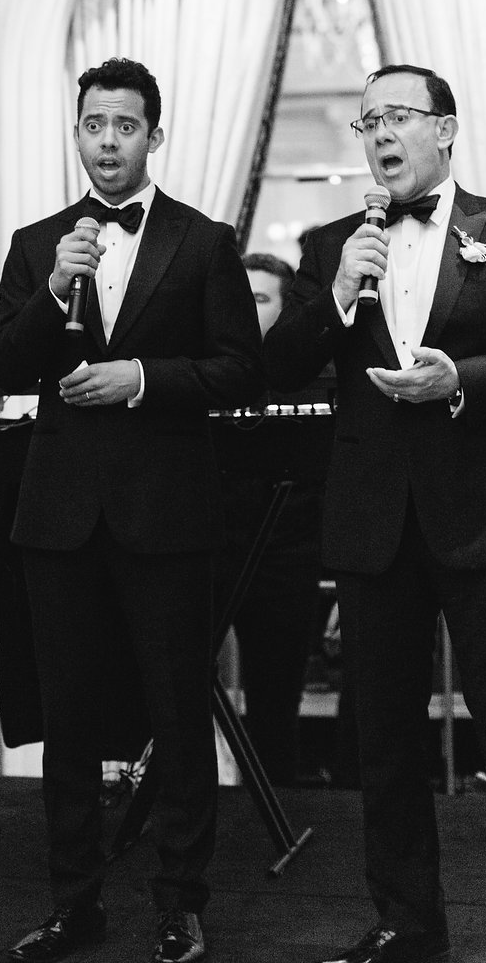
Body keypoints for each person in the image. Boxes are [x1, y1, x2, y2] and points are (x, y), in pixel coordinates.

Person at [263, 64, 486, 963]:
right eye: (367, 120)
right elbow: (278, 363)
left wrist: (465, 380)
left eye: (398, 115)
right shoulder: (331, 243)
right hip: (373, 525)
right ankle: (407, 925)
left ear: (444, 129)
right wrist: (337, 294)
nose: (380, 132)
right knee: (385, 743)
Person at [0, 57, 264, 963]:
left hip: (167, 513)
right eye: (94, 125)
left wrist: (141, 378)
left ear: (155, 135)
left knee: (177, 716)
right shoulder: (38, 243)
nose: (108, 141)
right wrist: (52, 289)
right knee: (67, 721)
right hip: (60, 515)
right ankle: (75, 905)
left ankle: (180, 904)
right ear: (78, 133)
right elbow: (8, 362)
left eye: (126, 126)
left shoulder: (204, 241)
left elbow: (240, 369)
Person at [219, 254, 323, 787]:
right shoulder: (206, 370)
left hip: (288, 554)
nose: (245, 308)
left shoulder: (314, 379)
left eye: (259, 299)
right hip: (211, 550)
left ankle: (276, 808)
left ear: (286, 311)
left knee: (276, 702)